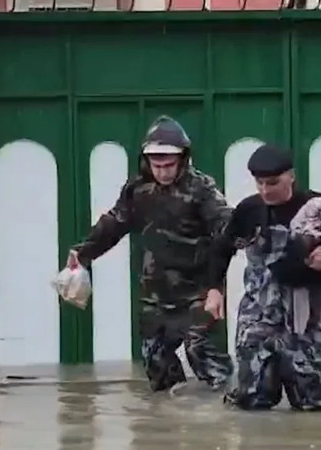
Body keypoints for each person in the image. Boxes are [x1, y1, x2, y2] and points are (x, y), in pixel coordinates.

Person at [203, 143, 321, 411]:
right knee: (251, 401)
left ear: (291, 176)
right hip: (259, 318)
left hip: (306, 322)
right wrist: (214, 289)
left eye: (272, 183)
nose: (265, 190)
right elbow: (221, 248)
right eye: (259, 183)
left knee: (311, 405)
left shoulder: (319, 209)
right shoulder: (249, 211)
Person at [73, 116, 234, 393]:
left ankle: (224, 412)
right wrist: (82, 254)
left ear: (183, 159)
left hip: (198, 289)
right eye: (156, 165)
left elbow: (226, 231)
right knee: (156, 364)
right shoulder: (137, 190)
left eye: (169, 165)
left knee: (202, 354)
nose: (163, 172)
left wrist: (216, 286)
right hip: (155, 292)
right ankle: (168, 422)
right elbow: (113, 225)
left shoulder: (202, 189)